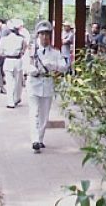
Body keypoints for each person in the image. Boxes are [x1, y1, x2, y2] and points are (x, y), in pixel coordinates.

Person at [26, 20, 69, 153]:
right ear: (38, 35)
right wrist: (32, 70)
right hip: (34, 83)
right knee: (34, 113)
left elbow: (64, 67)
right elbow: (24, 65)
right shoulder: (31, 51)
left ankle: (40, 138)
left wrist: (53, 65)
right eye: (42, 34)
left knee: (44, 115)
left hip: (47, 84)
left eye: (47, 34)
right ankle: (35, 140)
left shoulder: (55, 52)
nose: (44, 37)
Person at [0, 20, 27, 108]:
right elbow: (23, 50)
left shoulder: (3, 39)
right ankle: (16, 98)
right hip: (17, 61)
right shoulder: (22, 39)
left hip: (8, 60)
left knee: (9, 82)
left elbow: (0, 52)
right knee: (18, 82)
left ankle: (10, 102)